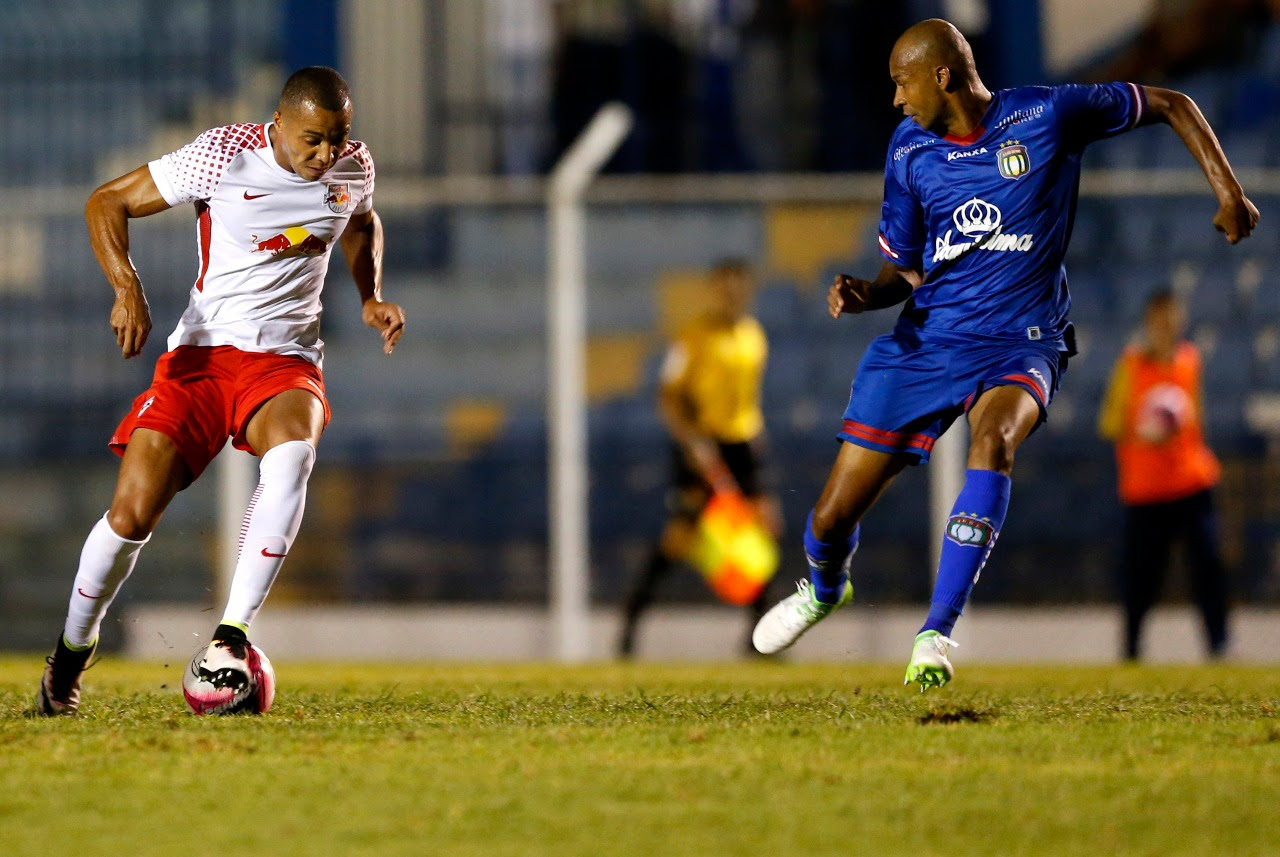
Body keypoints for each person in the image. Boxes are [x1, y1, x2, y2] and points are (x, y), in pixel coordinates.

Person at [750, 18, 1258, 689]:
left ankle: (934, 634)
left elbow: (1173, 103)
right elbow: (905, 273)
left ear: (941, 75)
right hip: (929, 342)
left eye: (903, 83)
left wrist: (1228, 191)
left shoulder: (1049, 114)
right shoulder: (909, 151)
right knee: (830, 516)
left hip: (1023, 338)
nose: (896, 100)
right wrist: (861, 293)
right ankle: (822, 588)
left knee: (995, 443)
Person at [36, 66, 406, 715]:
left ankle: (229, 639)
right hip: (203, 358)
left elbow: (359, 223)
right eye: (312, 140)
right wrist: (128, 287)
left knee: (292, 454)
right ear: (281, 123)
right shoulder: (223, 155)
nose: (326, 156)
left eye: (338, 138)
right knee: (131, 515)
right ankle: (69, 656)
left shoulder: (352, 166)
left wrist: (370, 295)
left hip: (285, 362)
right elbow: (107, 201)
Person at [618, 260, 781, 657]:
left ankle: (759, 640)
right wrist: (691, 443)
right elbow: (669, 396)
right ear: (714, 289)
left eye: (739, 287)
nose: (732, 294)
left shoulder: (753, 336)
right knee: (679, 539)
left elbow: (747, 401)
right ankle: (629, 628)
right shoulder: (694, 336)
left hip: (743, 445)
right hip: (702, 445)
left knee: (761, 534)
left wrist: (757, 444)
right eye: (725, 287)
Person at [1097, 289, 1229, 660]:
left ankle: (1219, 646)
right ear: (1149, 323)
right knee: (1142, 576)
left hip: (1191, 482)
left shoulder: (1190, 360)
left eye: (1171, 320)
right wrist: (1144, 429)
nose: (1166, 328)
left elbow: (1196, 418)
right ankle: (1131, 649)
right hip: (1146, 489)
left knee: (1207, 565)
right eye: (1159, 321)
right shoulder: (1131, 365)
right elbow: (1109, 422)